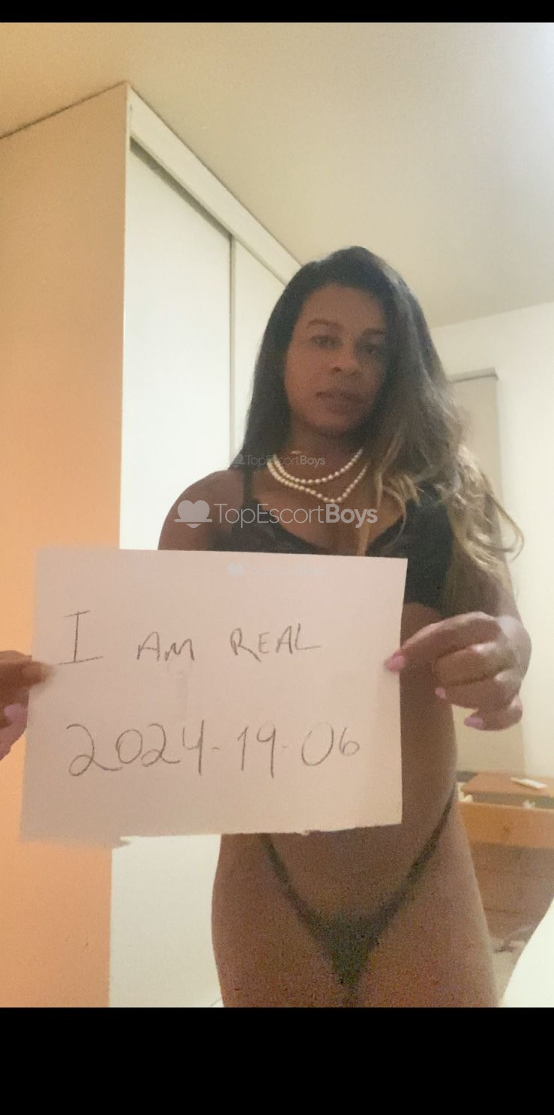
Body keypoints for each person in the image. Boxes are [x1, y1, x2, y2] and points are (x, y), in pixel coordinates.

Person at [2, 246, 531, 1008]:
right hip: (268, 878)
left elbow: (507, 627)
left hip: (424, 868)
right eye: (323, 339)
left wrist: (507, 655)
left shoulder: (446, 495)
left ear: (398, 368)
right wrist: (53, 700)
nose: (346, 362)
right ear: (282, 352)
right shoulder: (211, 506)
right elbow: (152, 678)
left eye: (373, 348)